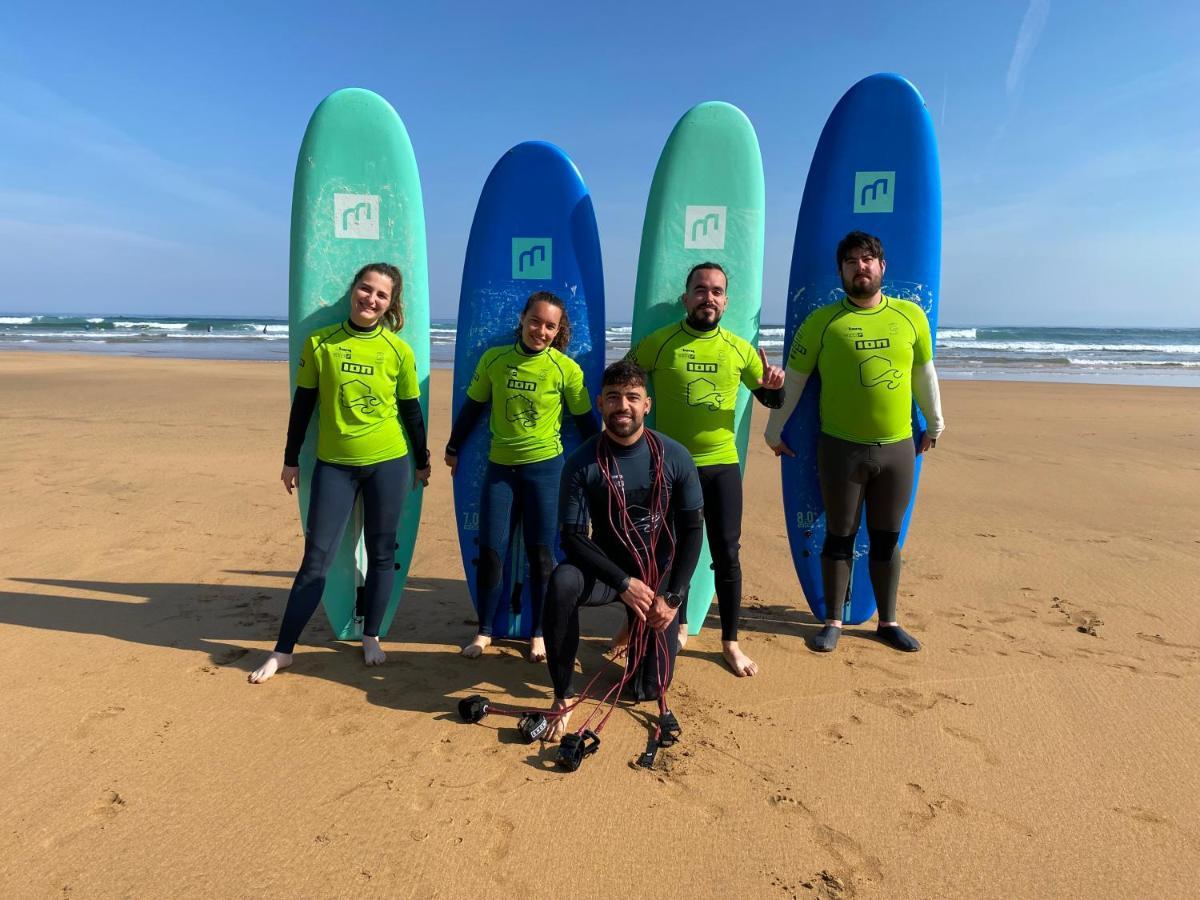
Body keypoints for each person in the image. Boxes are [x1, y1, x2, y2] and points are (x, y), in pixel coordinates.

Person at [764, 231, 945, 653]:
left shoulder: (910, 316)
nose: (860, 267)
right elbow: (795, 381)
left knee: (886, 538)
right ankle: (833, 621)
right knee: (841, 535)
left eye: (868, 259)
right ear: (841, 272)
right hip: (840, 448)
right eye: (850, 261)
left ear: (882, 267)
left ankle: (888, 621)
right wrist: (774, 431)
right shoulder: (823, 321)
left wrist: (935, 424)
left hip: (897, 447)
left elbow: (924, 374)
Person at [249, 263, 430, 683]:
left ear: (391, 304)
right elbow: (304, 406)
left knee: (383, 553)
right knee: (316, 559)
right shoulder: (321, 344)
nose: (371, 299)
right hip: (334, 466)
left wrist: (421, 462)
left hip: (389, 462)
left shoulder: (398, 350)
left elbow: (411, 412)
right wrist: (290, 457)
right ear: (353, 291)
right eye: (366, 290)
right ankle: (283, 650)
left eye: (381, 295)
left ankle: (371, 635)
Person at [624, 262, 784, 677]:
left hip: (721, 467)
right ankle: (677, 626)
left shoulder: (738, 348)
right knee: (672, 552)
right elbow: (624, 381)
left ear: (726, 301)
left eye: (716, 291)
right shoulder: (659, 343)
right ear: (686, 297)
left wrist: (773, 388)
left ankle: (730, 641)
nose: (707, 297)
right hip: (671, 468)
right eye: (700, 290)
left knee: (727, 555)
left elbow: (770, 401)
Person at [542, 360, 704, 741]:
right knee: (562, 581)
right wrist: (622, 582)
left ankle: (651, 628)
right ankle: (562, 694)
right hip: (607, 571)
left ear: (647, 404)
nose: (623, 406)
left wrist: (674, 597)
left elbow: (693, 530)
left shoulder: (675, 456)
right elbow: (573, 538)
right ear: (599, 404)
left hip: (658, 574)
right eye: (613, 398)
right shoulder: (583, 462)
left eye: (632, 397)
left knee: (646, 690)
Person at [445, 292, 599, 662]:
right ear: (522, 318)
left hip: (547, 471)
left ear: (558, 330)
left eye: (550, 325)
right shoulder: (495, 360)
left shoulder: (566, 369)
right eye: (535, 321)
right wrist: (453, 447)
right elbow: (473, 407)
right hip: (501, 471)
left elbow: (586, 424)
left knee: (542, 555)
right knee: (492, 551)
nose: (540, 331)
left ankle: (539, 634)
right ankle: (484, 631)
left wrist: (603, 463)